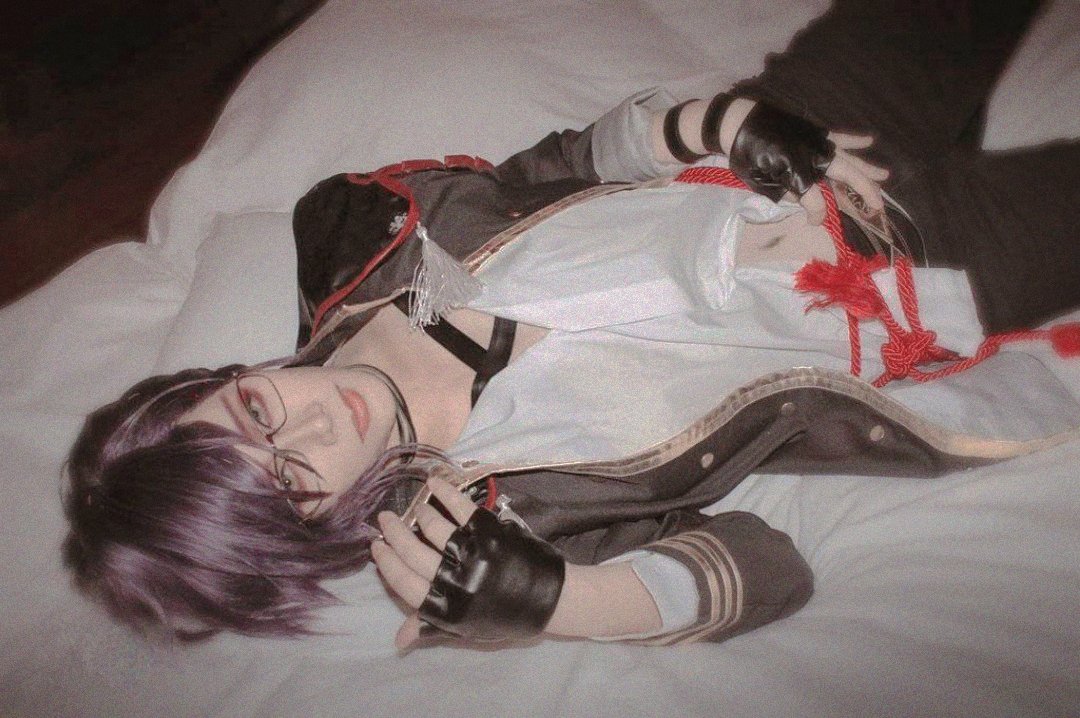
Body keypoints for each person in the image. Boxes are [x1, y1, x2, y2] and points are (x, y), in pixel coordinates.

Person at [64, 0, 1078, 649]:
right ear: (311, 533)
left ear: (226, 373)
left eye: (255, 410)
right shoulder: (488, 524)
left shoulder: (359, 240)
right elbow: (765, 565)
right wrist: (559, 603)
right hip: (914, 281)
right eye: (293, 479)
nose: (318, 422)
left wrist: (715, 125)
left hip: (799, 128)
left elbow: (555, 169)